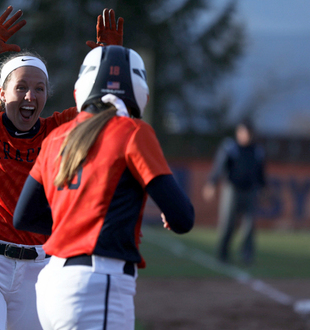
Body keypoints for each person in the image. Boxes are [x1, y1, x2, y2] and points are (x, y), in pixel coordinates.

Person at [0, 5, 124, 330]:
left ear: (48, 94)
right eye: (21, 87)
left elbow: (111, 108)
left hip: (40, 267)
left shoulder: (57, 129)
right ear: (2, 93)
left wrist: (110, 61)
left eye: (39, 88)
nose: (30, 95)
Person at [13, 45, 195, 330]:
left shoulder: (56, 138)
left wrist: (75, 224)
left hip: (52, 284)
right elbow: (183, 218)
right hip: (98, 282)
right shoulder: (134, 132)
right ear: (138, 89)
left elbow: (23, 216)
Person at [202, 119, 266, 265]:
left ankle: (247, 255)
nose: (246, 136)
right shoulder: (231, 147)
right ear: (238, 133)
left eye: (249, 133)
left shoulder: (257, 150)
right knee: (228, 223)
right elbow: (219, 166)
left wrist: (263, 189)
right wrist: (212, 183)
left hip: (250, 190)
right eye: (244, 132)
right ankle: (222, 253)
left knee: (249, 225)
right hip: (232, 189)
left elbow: (261, 173)